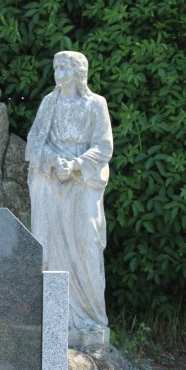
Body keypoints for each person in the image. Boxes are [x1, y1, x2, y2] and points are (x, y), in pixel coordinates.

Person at [25, 51, 113, 343]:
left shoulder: (95, 104)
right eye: (56, 67)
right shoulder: (49, 103)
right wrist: (53, 161)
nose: (59, 72)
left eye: (65, 67)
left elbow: (104, 147)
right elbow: (34, 143)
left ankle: (91, 317)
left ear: (79, 72)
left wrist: (74, 165)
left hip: (83, 181)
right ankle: (55, 316)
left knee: (86, 242)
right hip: (50, 182)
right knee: (50, 243)